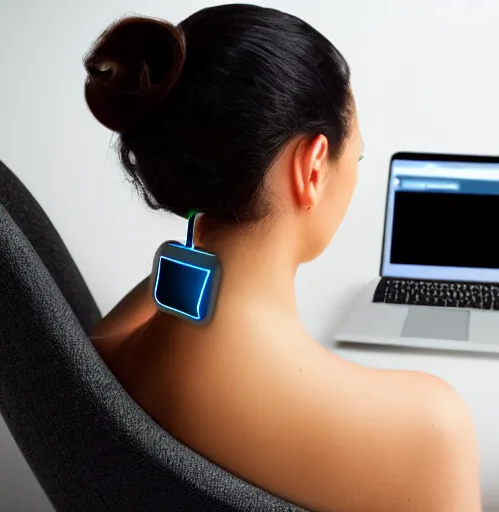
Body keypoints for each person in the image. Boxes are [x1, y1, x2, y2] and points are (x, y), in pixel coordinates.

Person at [85, 5, 481, 511]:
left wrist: (193, 228)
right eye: (355, 156)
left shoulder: (108, 363)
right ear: (312, 167)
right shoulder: (431, 428)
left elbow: (109, 334)